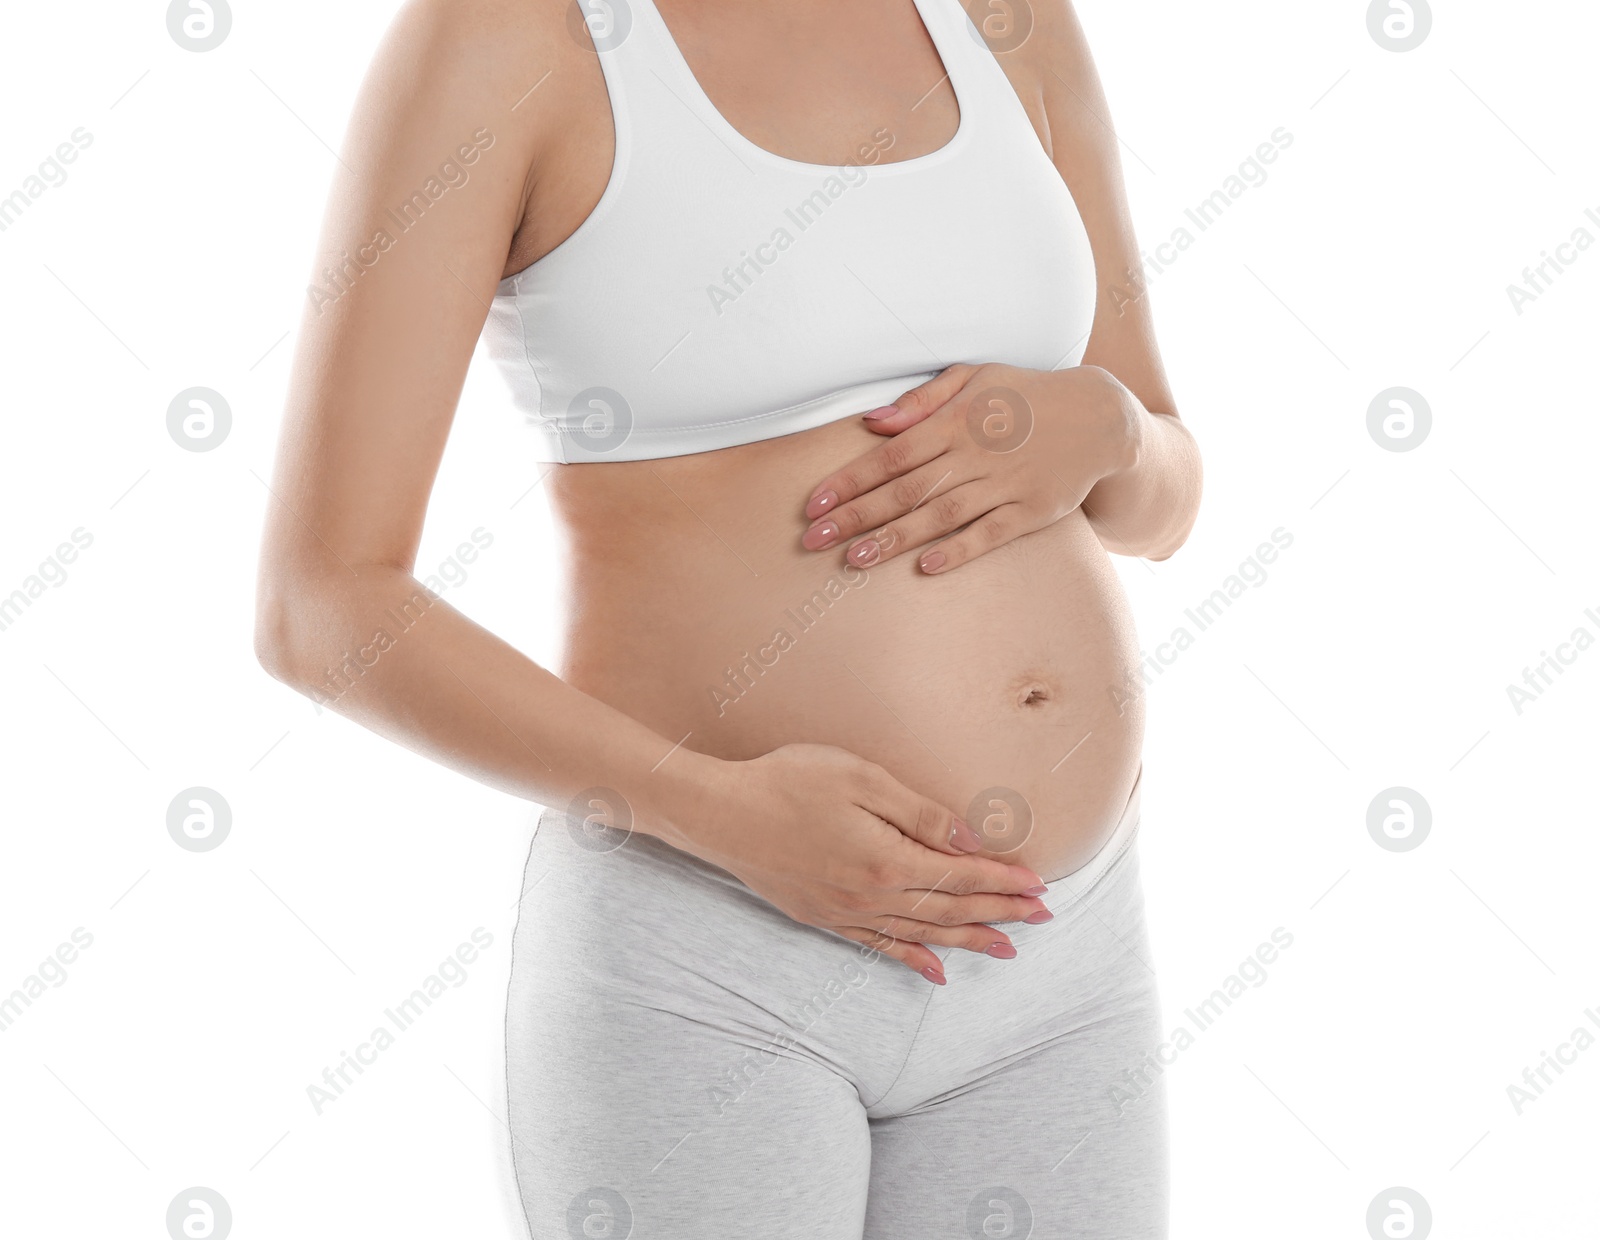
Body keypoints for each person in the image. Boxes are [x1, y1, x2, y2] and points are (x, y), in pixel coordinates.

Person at [253, 0, 1202, 1234]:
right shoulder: (507, 38)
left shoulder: (1004, 19)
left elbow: (1161, 500)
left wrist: (1113, 429)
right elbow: (320, 603)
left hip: (1054, 957)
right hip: (713, 954)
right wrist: (723, 812)